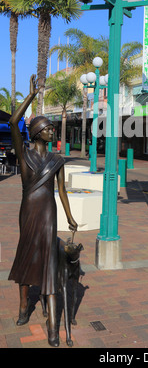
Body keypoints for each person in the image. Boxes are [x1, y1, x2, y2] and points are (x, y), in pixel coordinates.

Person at [8, 75, 78, 347]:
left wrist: (70, 217)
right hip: (29, 211)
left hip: (48, 212)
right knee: (26, 255)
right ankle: (24, 306)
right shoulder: (23, 153)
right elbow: (14, 122)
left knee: (49, 261)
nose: (53, 131)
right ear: (38, 132)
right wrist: (32, 95)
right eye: (49, 128)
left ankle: (52, 329)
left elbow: (61, 190)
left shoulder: (57, 160)